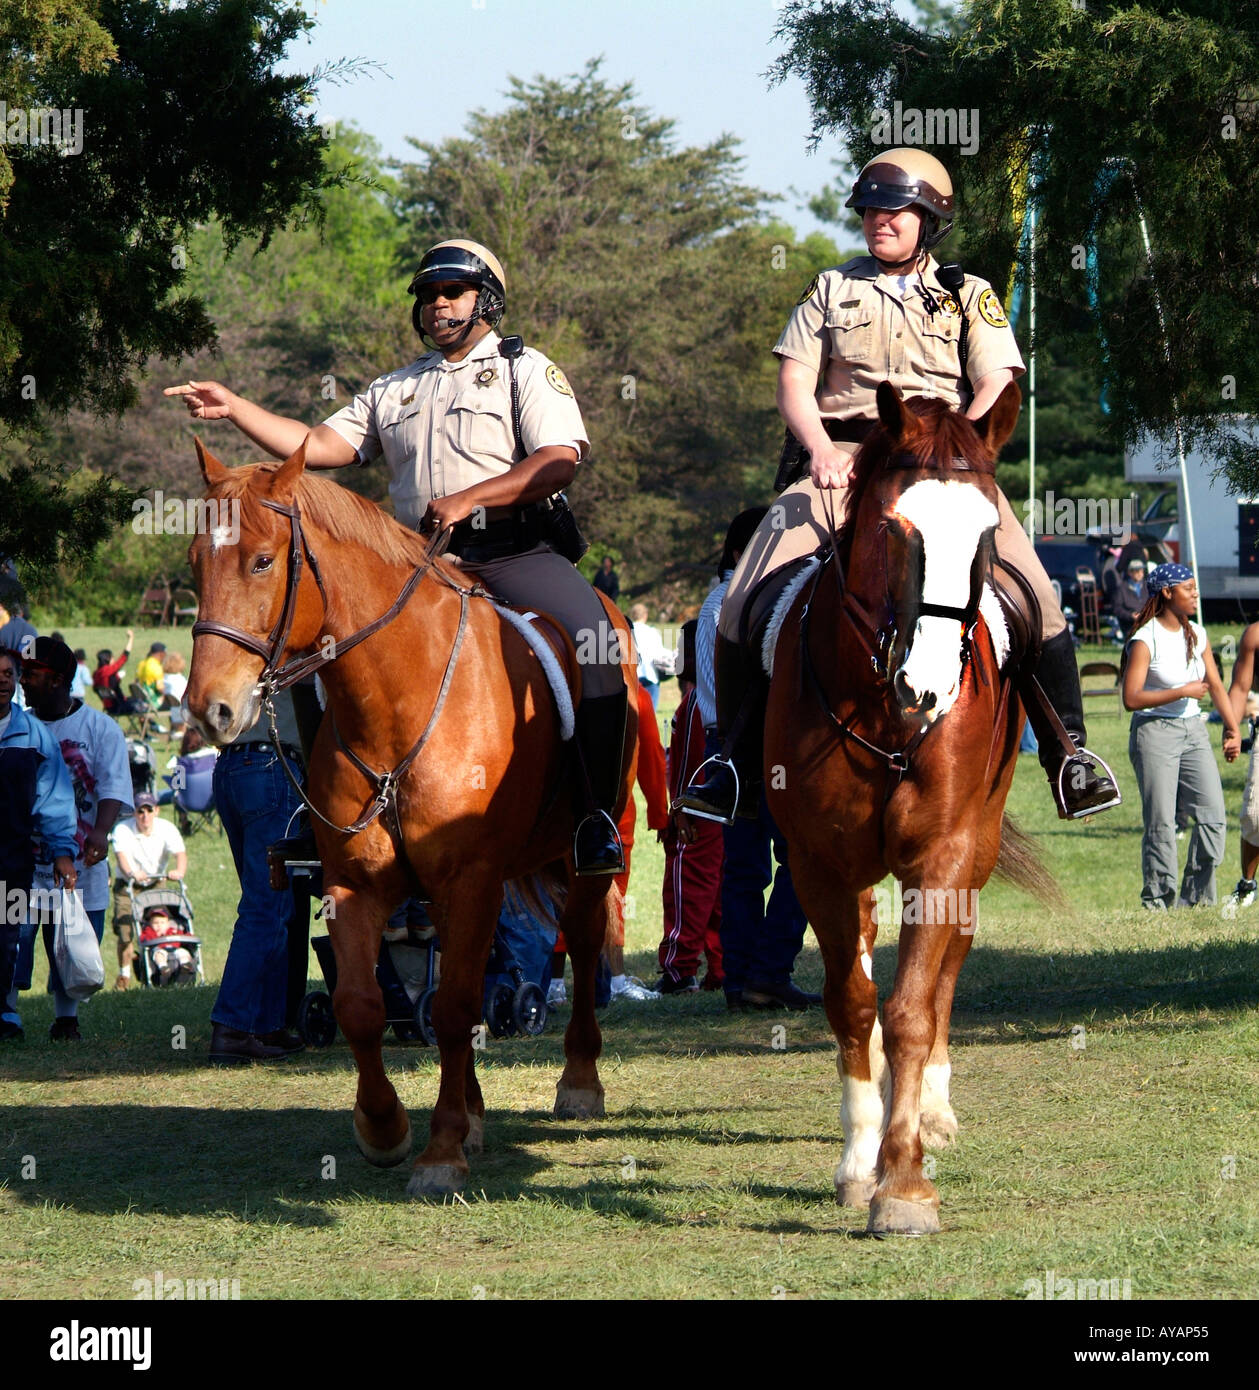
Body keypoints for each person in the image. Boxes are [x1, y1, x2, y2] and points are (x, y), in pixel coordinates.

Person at [675, 148, 1119, 826]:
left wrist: (957, 448)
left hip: (945, 463)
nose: (876, 221)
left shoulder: (970, 294)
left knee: (1039, 597)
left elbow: (998, 380)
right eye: (868, 210)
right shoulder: (828, 288)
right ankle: (728, 760)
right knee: (740, 597)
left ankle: (1069, 756)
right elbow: (794, 382)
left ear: (929, 218)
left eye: (893, 210)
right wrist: (819, 448)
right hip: (846, 459)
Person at [166, 238, 627, 875]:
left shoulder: (526, 370)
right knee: (309, 650)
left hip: (512, 553)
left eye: (451, 293)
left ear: (484, 300)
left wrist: (472, 497)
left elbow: (559, 459)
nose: (437, 305)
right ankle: (319, 814)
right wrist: (236, 408)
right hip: (420, 564)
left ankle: (594, 820)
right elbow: (317, 444)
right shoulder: (396, 388)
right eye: (428, 296)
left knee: (596, 636)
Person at [18, 637, 132, 1040]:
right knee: (15, 934)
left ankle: (66, 1019)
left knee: (72, 942)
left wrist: (100, 831)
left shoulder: (99, 728)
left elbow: (114, 785)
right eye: (23, 673)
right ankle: (7, 1015)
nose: (24, 681)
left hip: (80, 860)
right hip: (24, 859)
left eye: (33, 674)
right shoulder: (16, 725)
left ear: (59, 680)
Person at [1121, 564, 1240, 910]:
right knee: (1161, 820)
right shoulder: (1145, 639)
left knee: (1213, 816)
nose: (1195, 593)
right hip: (1154, 732)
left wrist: (1231, 729)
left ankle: (1196, 899)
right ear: (1168, 593)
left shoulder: (1198, 633)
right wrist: (1181, 691)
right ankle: (1158, 899)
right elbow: (1131, 699)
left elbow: (1215, 684)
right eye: (1188, 588)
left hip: (1193, 731)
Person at [204, 687, 308, 1062]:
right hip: (271, 767)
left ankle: (266, 1026)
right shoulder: (292, 644)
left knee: (272, 906)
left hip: (230, 767)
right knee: (266, 908)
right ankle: (232, 1028)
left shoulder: (239, 649)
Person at [0, 648, 78, 1041]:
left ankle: (4, 1011)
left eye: (8, 673)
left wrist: (62, 851)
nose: (2, 679)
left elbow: (54, 798)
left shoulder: (34, 736)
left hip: (12, 856)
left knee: (7, 933)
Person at [654, 619, 725, 994]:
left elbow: (684, 766)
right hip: (726, 813)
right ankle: (720, 968)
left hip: (696, 814)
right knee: (718, 895)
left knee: (688, 890)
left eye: (684, 649)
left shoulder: (696, 702)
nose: (678, 657)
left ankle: (678, 971)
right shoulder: (723, 695)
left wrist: (677, 810)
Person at [110, 790, 188, 989]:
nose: (145, 816)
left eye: (148, 810)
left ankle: (159, 971)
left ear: (157, 811)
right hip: (128, 885)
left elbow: (180, 853)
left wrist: (178, 871)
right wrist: (132, 872)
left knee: (159, 926)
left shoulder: (167, 829)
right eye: (140, 811)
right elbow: (122, 858)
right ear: (134, 813)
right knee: (125, 930)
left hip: (155, 882)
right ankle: (124, 975)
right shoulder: (123, 830)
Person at [1226, 621, 1259, 909]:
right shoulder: (1255, 634)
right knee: (1254, 815)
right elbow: (1239, 687)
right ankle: (1247, 885)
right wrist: (1232, 728)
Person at [137, 905, 196, 987]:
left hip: (176, 949)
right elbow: (143, 939)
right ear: (150, 924)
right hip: (160, 949)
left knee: (183, 952)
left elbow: (184, 935)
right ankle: (163, 968)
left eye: (162, 923)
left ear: (168, 924)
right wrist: (152, 937)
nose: (159, 925)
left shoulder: (173, 931)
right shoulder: (149, 932)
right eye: (155, 923)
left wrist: (190, 937)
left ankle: (185, 965)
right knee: (159, 954)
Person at [629, 602, 674, 710]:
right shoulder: (652, 632)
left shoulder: (627, 631)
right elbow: (660, 653)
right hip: (650, 675)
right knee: (650, 714)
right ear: (645, 615)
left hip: (633, 677)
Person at [92, 629, 135, 712]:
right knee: (140, 703)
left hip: (108, 707)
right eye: (112, 657)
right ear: (108, 659)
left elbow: (100, 687)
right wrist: (131, 639)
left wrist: (118, 677)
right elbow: (124, 658)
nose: (114, 660)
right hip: (118, 706)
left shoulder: (96, 674)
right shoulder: (108, 670)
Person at [1111, 556, 1148, 636]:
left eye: (1142, 571)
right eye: (1137, 571)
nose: (1140, 574)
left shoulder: (1148, 586)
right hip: (1130, 627)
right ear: (1130, 573)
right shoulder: (1121, 588)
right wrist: (1130, 616)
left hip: (1147, 624)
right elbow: (1117, 609)